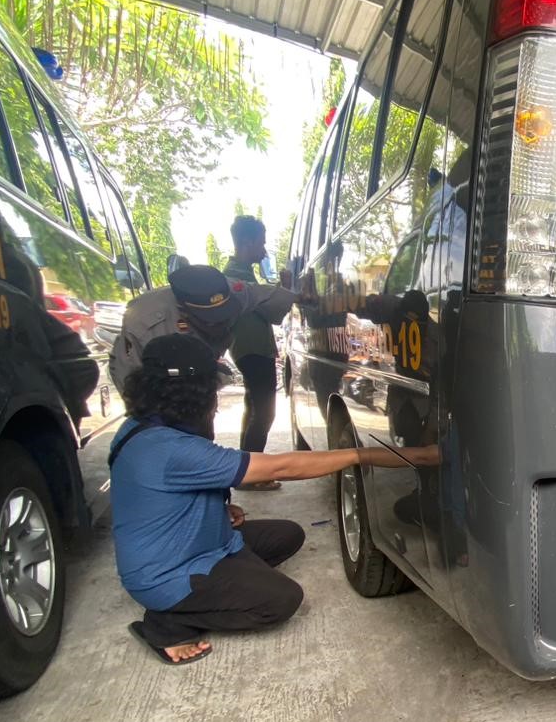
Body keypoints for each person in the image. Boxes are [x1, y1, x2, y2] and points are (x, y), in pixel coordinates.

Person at [110, 333, 436, 665]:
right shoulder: (170, 448)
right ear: (193, 393)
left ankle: (228, 578)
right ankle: (167, 622)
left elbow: (160, 496)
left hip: (195, 544)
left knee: (287, 535)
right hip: (167, 572)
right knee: (281, 600)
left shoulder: (142, 427)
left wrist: (218, 508)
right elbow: (282, 466)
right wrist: (363, 454)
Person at [109, 264, 296, 395]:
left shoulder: (235, 292)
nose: (220, 324)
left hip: (199, 370)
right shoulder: (144, 324)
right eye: (210, 321)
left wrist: (305, 298)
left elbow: (269, 296)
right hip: (156, 387)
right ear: (185, 312)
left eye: (224, 315)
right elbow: (130, 387)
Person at [223, 216, 281, 491]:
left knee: (254, 408)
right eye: (261, 242)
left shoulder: (241, 274)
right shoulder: (238, 279)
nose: (264, 249)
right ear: (247, 243)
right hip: (254, 352)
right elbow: (273, 310)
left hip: (249, 351)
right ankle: (251, 476)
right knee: (265, 412)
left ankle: (244, 469)